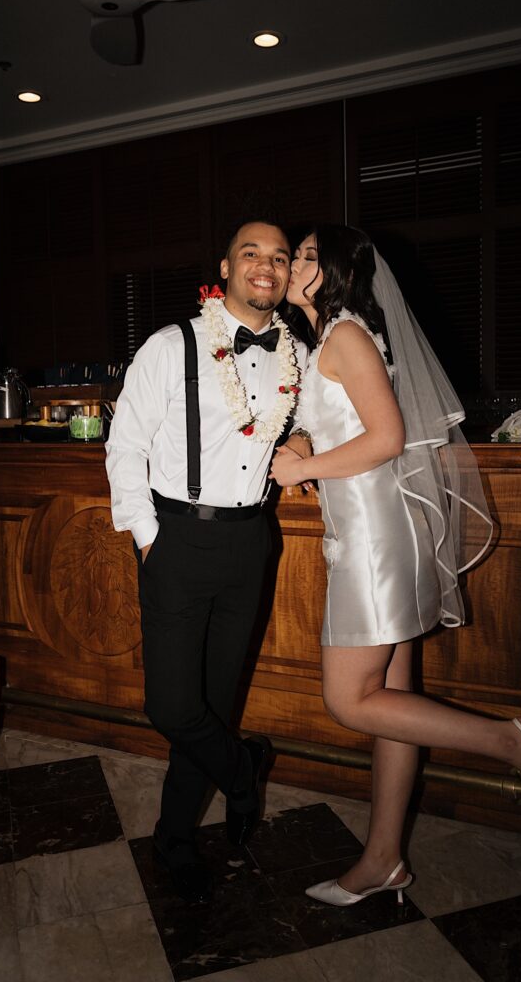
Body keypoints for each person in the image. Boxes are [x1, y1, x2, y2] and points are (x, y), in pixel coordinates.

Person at [270, 224, 521, 907]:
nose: (293, 263)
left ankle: (515, 740)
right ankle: (384, 861)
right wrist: (303, 435)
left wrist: (301, 467)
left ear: (342, 273)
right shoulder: (333, 339)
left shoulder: (343, 334)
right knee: (391, 705)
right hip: (378, 531)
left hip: (373, 541)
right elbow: (346, 418)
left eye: (310, 256)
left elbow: (388, 436)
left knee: (350, 701)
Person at [106, 220, 308, 904]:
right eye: (252, 252)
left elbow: (304, 419)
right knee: (170, 704)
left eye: (280, 257)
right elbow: (123, 443)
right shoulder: (170, 345)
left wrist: (304, 446)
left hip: (253, 542)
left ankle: (176, 840)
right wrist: (145, 533)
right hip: (178, 540)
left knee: (215, 703)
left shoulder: (295, 353)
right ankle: (243, 767)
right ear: (225, 266)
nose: (267, 265)